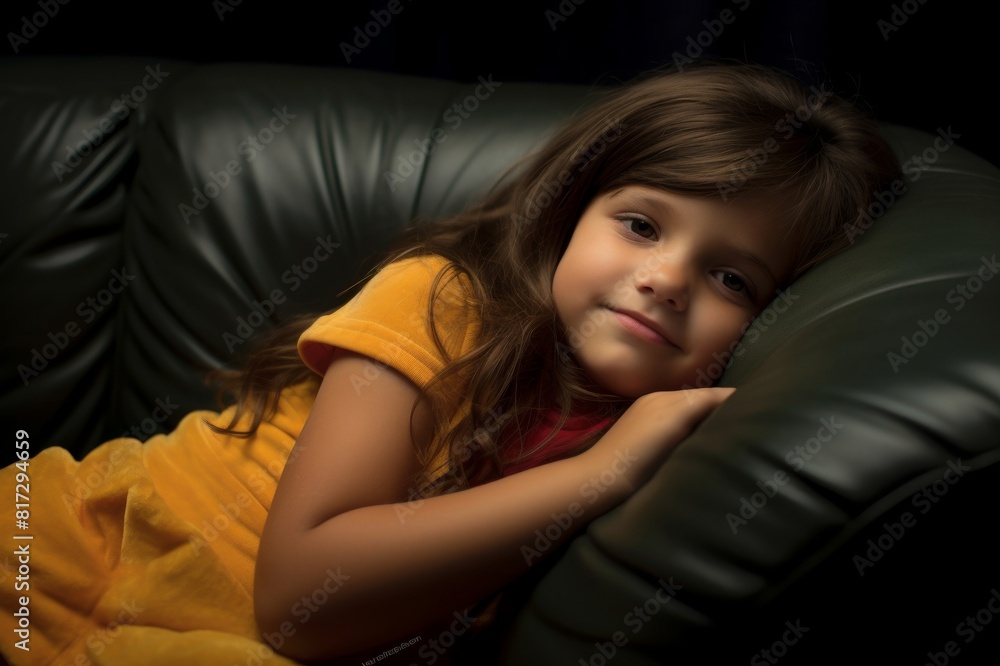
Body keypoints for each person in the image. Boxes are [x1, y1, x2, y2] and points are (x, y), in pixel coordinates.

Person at [0, 60, 900, 665]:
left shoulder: (674, 424)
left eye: (732, 278)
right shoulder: (443, 299)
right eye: (639, 224)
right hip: (71, 556)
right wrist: (604, 472)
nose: (666, 280)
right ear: (567, 211)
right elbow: (298, 597)